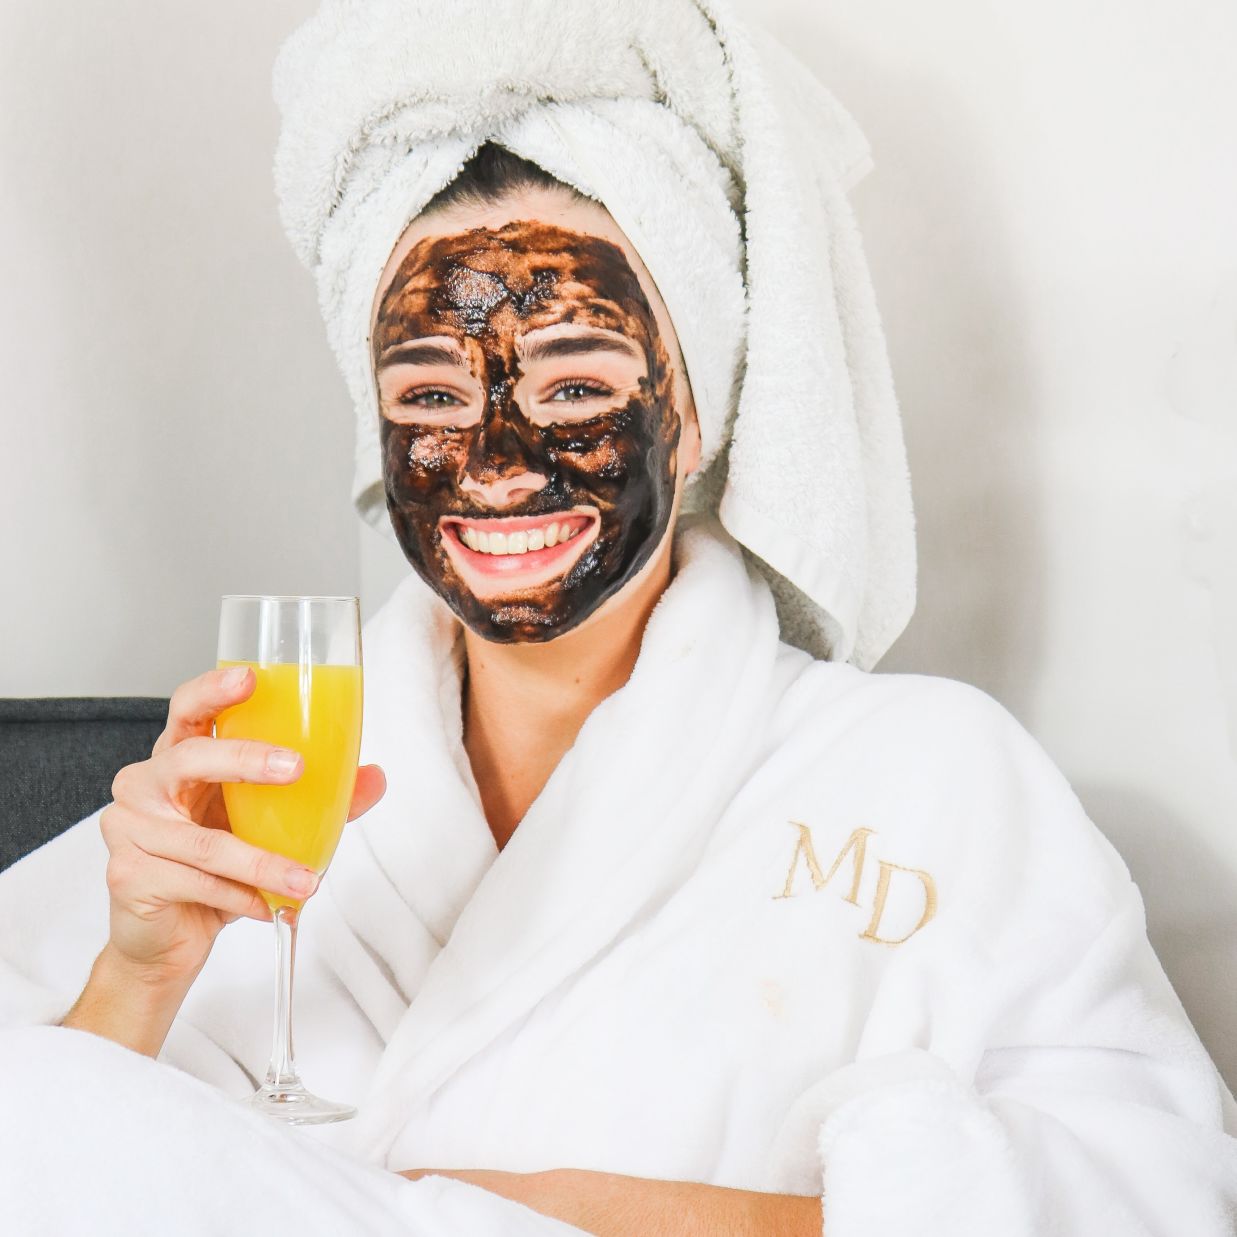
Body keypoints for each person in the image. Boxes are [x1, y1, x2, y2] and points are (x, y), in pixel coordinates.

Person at [3, 3, 1236, 1235]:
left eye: (576, 386)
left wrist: (562, 1211)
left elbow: (1160, 1196)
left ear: (693, 417)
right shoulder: (251, 787)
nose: (492, 461)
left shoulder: (930, 782)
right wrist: (138, 975)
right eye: (429, 392)